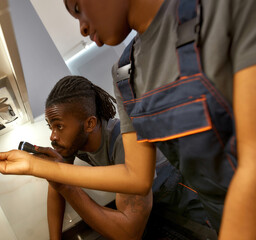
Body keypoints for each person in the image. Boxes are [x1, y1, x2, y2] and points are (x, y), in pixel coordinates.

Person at [0, 0, 256, 239]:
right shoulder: (125, 74)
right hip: (221, 217)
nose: (82, 28)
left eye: (78, 8)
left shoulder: (218, 9)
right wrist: (32, 166)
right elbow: (135, 177)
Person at [40, 75, 212, 239]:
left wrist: (65, 185)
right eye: (50, 127)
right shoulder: (75, 142)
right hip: (157, 204)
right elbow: (56, 183)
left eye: (59, 126)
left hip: (185, 193)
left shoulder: (122, 141)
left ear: (89, 124)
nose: (52, 136)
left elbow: (129, 234)